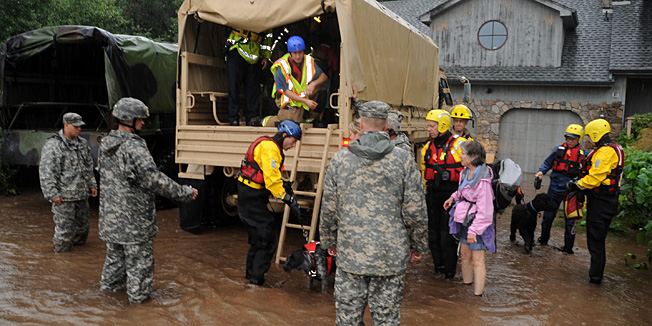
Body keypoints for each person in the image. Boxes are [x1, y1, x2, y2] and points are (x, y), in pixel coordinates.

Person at [319, 101, 428, 325]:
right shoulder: (403, 160)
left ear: (361, 124)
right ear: (386, 125)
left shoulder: (340, 160)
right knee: (386, 320)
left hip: (351, 255)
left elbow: (329, 207)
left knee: (347, 320)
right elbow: (416, 210)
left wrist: (329, 240)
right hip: (390, 257)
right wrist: (418, 245)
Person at [98, 97, 198, 304]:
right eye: (140, 119)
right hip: (134, 224)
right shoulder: (133, 147)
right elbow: (154, 179)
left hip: (111, 222)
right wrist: (184, 192)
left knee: (113, 273)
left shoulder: (106, 144)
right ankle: (140, 314)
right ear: (129, 119)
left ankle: (106, 312)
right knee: (139, 274)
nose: (143, 123)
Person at [236, 120, 303, 286]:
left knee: (258, 239)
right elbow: (271, 180)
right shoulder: (271, 148)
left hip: (249, 195)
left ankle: (250, 278)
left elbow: (269, 175)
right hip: (251, 197)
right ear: (285, 135)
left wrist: (284, 187)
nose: (293, 145)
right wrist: (287, 199)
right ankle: (256, 282)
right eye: (293, 141)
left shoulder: (268, 145)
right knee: (267, 240)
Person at [567, 118, 624, 285]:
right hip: (605, 200)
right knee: (597, 239)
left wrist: (576, 184)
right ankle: (596, 275)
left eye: (590, 137)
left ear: (595, 134)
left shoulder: (605, 152)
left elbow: (595, 178)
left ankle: (595, 279)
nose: (589, 140)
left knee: (596, 240)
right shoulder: (614, 149)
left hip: (602, 202)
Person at [39, 112, 97, 253]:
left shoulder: (82, 144)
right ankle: (61, 263)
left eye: (80, 126)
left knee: (82, 231)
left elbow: (88, 166)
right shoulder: (53, 145)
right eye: (76, 126)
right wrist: (52, 194)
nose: (79, 129)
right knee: (64, 234)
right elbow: (47, 172)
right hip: (64, 198)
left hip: (81, 195)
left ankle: (76, 264)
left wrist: (92, 184)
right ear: (66, 125)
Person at [444, 140, 494, 296]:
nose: (460, 156)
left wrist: (475, 230)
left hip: (477, 223)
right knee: (464, 256)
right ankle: (466, 288)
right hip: (465, 219)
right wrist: (453, 198)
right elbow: (462, 192)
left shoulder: (483, 180)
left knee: (477, 260)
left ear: (473, 157)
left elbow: (485, 211)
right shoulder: (464, 172)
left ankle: (477, 298)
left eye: (463, 153)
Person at [421, 109, 467, 279]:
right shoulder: (427, 147)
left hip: (451, 197)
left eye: (432, 126)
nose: (429, 129)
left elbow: (472, 171)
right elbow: (424, 171)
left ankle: (449, 273)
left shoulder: (460, 145)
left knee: (447, 237)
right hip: (433, 195)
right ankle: (438, 268)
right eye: (428, 126)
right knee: (432, 235)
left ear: (442, 125)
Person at [535, 124, 585, 252]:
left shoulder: (584, 153)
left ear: (578, 139)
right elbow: (548, 163)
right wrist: (541, 172)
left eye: (573, 139)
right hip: (556, 186)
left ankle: (568, 248)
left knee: (570, 220)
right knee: (548, 216)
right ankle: (544, 239)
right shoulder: (558, 149)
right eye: (568, 138)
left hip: (572, 189)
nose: (570, 140)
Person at [264, 36, 328, 127]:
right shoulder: (281, 66)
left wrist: (313, 84)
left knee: (322, 90)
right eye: (295, 53)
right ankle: (266, 121)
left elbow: (324, 77)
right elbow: (286, 92)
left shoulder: (308, 61)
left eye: (300, 52)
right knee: (292, 122)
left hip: (302, 96)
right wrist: (305, 102)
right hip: (287, 98)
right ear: (290, 53)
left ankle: (311, 118)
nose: (298, 56)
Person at [226, 28, 273, 126]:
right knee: (234, 86)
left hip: (255, 55)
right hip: (236, 49)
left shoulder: (265, 15)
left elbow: (268, 37)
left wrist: (265, 56)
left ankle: (252, 118)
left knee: (253, 88)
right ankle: (233, 118)